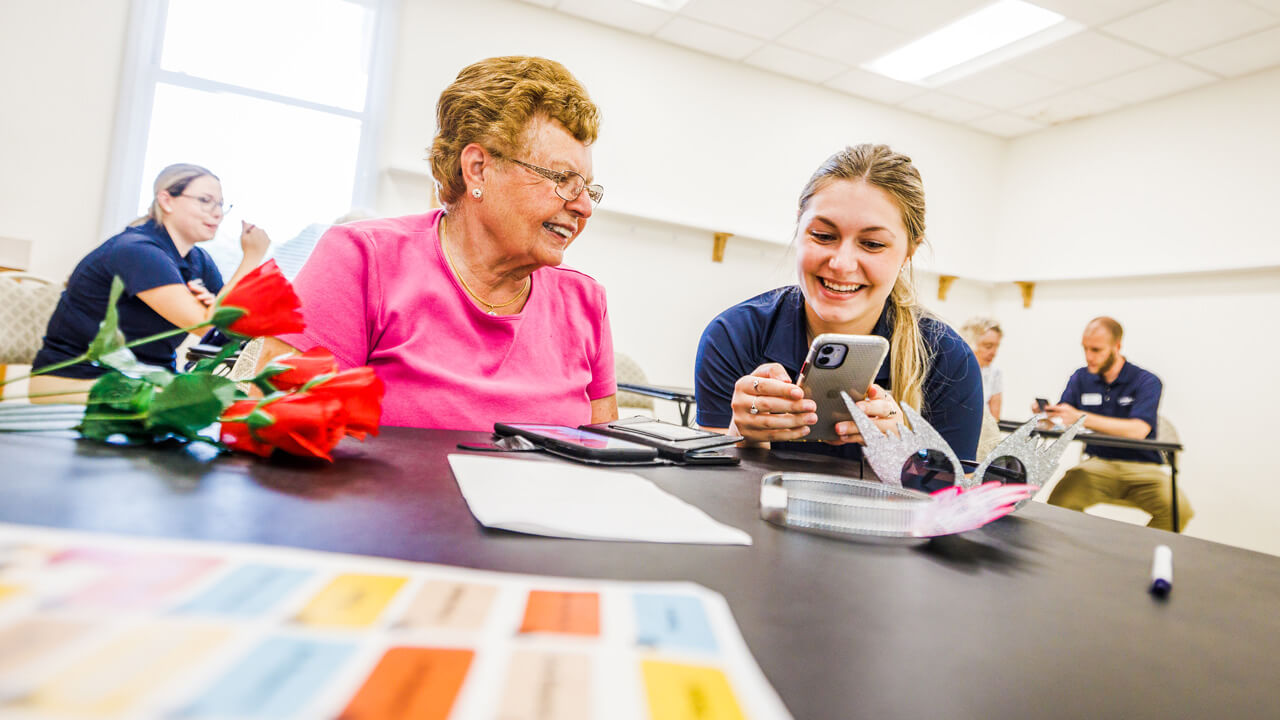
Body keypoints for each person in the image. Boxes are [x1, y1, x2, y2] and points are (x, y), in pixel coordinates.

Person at [256, 56, 617, 430]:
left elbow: (601, 465)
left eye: (588, 188)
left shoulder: (586, 302)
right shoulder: (360, 260)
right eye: (563, 179)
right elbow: (279, 435)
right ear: (478, 168)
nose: (584, 207)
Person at [695, 144, 983, 474]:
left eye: (872, 244)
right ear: (799, 229)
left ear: (909, 252)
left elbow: (956, 510)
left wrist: (904, 456)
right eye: (823, 235)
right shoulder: (734, 336)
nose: (841, 264)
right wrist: (742, 435)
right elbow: (715, 496)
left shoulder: (947, 360)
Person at [30, 164, 269, 401]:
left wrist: (215, 308)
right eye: (205, 200)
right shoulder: (137, 250)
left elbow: (227, 332)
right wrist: (252, 256)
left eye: (220, 204)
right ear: (166, 200)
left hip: (150, 380)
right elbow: (209, 325)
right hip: (77, 378)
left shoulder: (199, 261)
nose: (216, 213)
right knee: (193, 405)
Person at [1043, 317, 1191, 531]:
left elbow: (1138, 430)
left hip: (1143, 470)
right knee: (1059, 503)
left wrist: (1079, 417)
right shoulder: (1080, 378)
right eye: (1085, 349)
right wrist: (1047, 416)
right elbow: (1063, 421)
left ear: (1117, 346)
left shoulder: (1147, 381)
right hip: (1097, 465)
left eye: (1096, 350)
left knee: (1179, 512)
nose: (1089, 356)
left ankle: (1141, 556)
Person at [960, 316, 1003, 419]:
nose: (994, 353)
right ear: (969, 344)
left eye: (996, 347)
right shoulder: (956, 371)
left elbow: (995, 418)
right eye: (988, 346)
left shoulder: (995, 373)